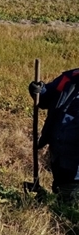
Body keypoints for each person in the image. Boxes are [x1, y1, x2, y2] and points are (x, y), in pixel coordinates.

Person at [29, 68, 79, 201]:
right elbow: (46, 98)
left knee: (70, 197)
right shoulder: (70, 77)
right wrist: (39, 90)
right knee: (61, 192)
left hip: (76, 164)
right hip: (58, 153)